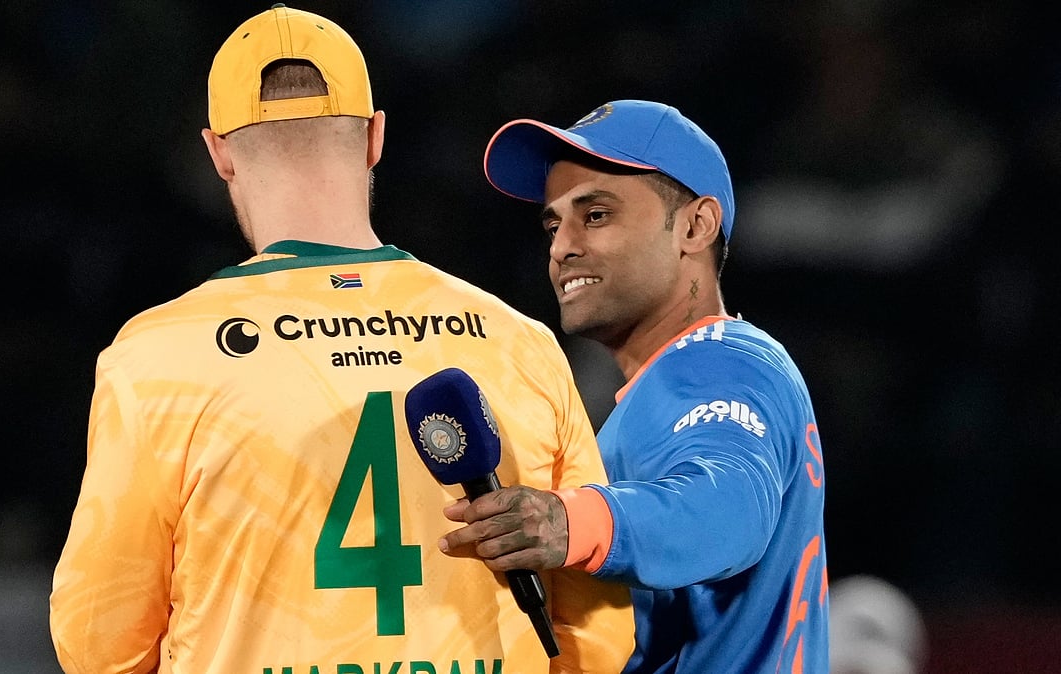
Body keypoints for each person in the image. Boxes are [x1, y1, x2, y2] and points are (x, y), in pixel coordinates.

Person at [47, 6, 635, 674]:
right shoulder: (518, 342)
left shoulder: (157, 357)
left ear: (217, 152)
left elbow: (99, 643)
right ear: (375, 138)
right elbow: (599, 635)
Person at [440, 100, 830, 673]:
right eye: (553, 223)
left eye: (595, 215)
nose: (561, 246)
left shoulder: (723, 364)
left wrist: (568, 522)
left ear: (695, 226)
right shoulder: (665, 386)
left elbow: (729, 507)